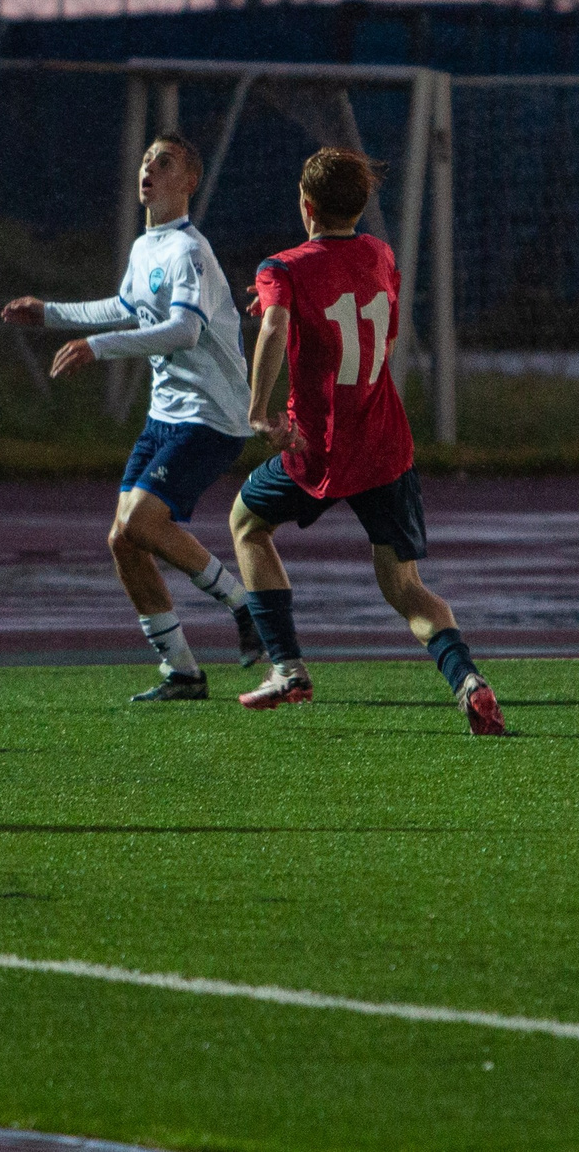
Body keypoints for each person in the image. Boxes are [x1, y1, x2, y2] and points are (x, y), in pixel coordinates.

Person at [229, 147, 506, 736]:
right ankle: (468, 681)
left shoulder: (281, 267)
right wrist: (285, 303)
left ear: (306, 206)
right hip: (384, 445)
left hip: (319, 448)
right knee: (405, 587)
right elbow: (361, 318)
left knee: (247, 524)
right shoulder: (381, 253)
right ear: (359, 206)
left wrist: (257, 411)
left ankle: (288, 667)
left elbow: (276, 326)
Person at [3, 134, 262, 701]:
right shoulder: (147, 247)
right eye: (146, 161)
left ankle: (246, 606)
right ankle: (182, 672)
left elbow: (184, 330)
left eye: (163, 163)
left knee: (142, 524)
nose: (149, 169)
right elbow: (124, 306)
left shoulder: (189, 252)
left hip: (211, 417)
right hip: (165, 416)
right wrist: (50, 314)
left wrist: (97, 347)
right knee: (123, 540)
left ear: (189, 182)